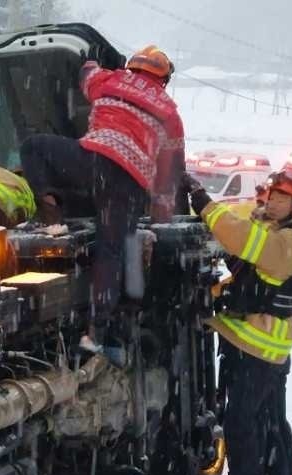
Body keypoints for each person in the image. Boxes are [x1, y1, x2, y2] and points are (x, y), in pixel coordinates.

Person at [19, 45, 186, 354]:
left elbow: (86, 72)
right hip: (129, 184)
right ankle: (96, 332)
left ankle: (52, 211)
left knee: (33, 147)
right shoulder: (169, 113)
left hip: (91, 164)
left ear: (132, 67)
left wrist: (90, 57)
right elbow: (170, 170)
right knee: (112, 252)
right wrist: (161, 210)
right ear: (163, 80)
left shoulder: (109, 80)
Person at [183, 167, 292, 475]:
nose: (271, 202)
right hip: (252, 344)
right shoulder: (276, 231)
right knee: (269, 420)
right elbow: (245, 265)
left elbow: (246, 242)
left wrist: (205, 205)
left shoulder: (291, 241)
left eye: (281, 198)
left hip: (261, 348)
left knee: (245, 420)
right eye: (271, 196)